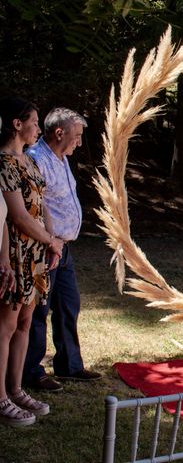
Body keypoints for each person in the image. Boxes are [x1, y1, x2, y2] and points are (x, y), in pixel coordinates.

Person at [21, 107, 102, 392]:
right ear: (60, 133)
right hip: (46, 246)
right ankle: (31, 371)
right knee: (39, 311)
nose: (79, 142)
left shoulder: (61, 158)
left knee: (69, 305)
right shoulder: (36, 159)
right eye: (77, 136)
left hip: (63, 248)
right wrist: (50, 241)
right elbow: (35, 207)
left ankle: (69, 364)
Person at [0, 97, 63, 426]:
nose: (39, 128)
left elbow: (42, 204)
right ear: (16, 124)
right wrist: (48, 239)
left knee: (26, 323)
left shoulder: (29, 161)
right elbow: (19, 217)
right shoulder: (4, 163)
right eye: (35, 123)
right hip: (15, 252)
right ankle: (0, 397)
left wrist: (54, 240)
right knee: (6, 327)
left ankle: (16, 389)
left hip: (38, 254)